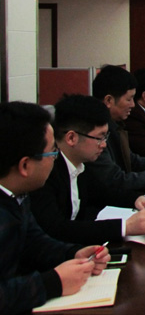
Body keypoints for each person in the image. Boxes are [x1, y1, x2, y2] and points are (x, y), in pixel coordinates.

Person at [0, 101, 110, 314]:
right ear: (25, 166)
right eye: (52, 153)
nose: (56, 159)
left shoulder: (18, 195)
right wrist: (53, 282)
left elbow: (35, 242)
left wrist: (73, 253)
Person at [30, 95, 145, 246]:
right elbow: (56, 228)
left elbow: (102, 193)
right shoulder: (44, 172)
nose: (103, 145)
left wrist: (137, 199)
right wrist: (124, 227)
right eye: (99, 138)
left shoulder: (80, 164)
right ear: (71, 138)